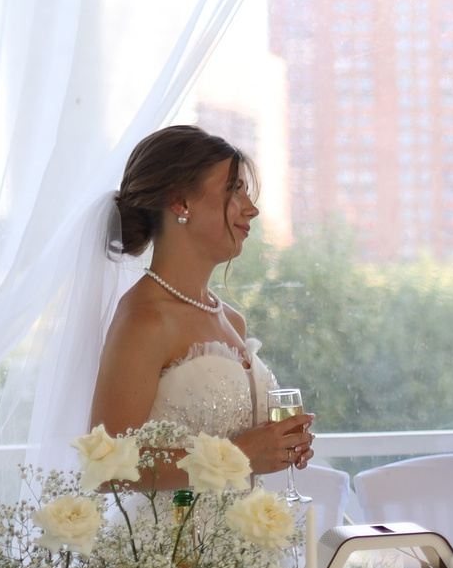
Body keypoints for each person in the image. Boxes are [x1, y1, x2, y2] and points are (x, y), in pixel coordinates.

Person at [88, 125, 313, 486]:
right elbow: (107, 467)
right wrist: (240, 456)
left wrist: (275, 444)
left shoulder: (231, 320)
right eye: (233, 190)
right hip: (171, 539)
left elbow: (246, 449)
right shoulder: (146, 319)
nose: (251, 209)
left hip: (241, 536)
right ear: (181, 203)